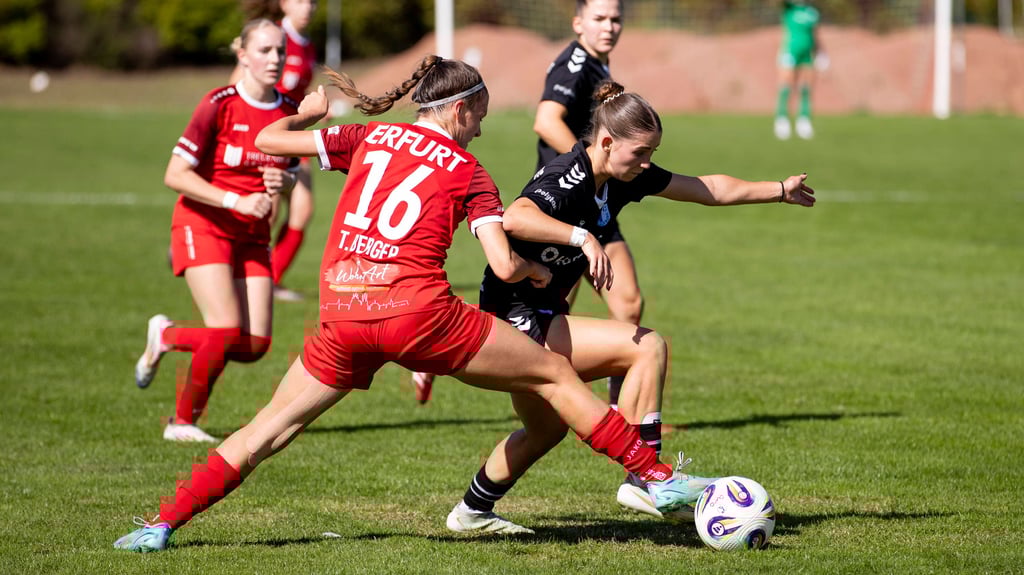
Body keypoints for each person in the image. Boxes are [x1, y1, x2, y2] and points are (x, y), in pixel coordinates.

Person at [113, 56, 706, 552]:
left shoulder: (367, 136)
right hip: (419, 314)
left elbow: (269, 140)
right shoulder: (472, 173)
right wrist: (532, 270)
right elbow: (502, 264)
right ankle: (654, 476)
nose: (479, 131)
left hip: (341, 314)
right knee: (551, 370)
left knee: (269, 427)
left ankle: (161, 523)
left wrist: (307, 113)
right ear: (459, 109)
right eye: (479, 118)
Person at [445, 80, 816, 533]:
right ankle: (644, 477)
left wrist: (777, 189)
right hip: (515, 316)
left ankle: (471, 512)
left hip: (535, 315)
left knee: (545, 432)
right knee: (646, 346)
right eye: (639, 152)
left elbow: (707, 188)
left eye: (651, 153)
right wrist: (580, 237)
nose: (647, 163)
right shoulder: (569, 175)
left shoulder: (622, 177)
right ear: (605, 142)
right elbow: (516, 215)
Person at [412, 0, 636, 407]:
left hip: (593, 204)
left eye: (616, 18)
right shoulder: (574, 65)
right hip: (561, 204)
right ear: (577, 22)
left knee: (621, 304)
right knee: (544, 317)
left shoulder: (599, 67)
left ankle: (614, 408)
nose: (609, 27)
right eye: (599, 18)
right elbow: (546, 120)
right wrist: (591, 171)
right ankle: (437, 347)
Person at [133, 19, 298, 443]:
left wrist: (286, 182)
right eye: (264, 50)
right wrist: (234, 200)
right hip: (203, 223)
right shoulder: (218, 104)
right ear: (242, 55)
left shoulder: (287, 111)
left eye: (280, 51)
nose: (274, 59)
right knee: (224, 329)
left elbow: (290, 173)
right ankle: (182, 422)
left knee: (255, 343)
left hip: (252, 235)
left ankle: (167, 335)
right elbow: (175, 174)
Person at [231, 0, 321, 301]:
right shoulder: (271, 37)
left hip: (292, 136)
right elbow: (236, 85)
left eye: (313, 1)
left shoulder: (307, 45)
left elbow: (295, 92)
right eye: (300, 0)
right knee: (266, 213)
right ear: (284, 3)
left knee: (302, 209)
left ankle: (270, 278)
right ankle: (239, 273)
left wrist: (311, 110)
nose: (307, 7)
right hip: (266, 137)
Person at [774, 0, 827, 140]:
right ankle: (782, 119)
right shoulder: (789, 8)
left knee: (806, 88)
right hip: (790, 51)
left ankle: (804, 120)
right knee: (786, 86)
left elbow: (815, 35)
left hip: (807, 54)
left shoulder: (812, 12)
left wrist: (821, 53)